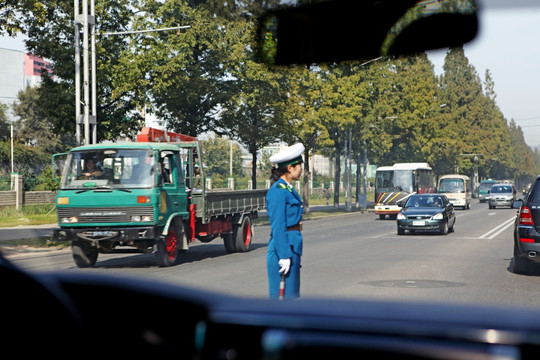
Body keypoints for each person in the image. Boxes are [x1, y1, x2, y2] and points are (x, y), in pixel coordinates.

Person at [266, 143, 304, 300]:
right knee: (282, 301)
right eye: (299, 166)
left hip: (291, 246)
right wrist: (284, 255)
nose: (301, 169)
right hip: (284, 248)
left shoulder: (287, 189)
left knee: (292, 296)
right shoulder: (277, 192)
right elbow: (278, 226)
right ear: (290, 168)